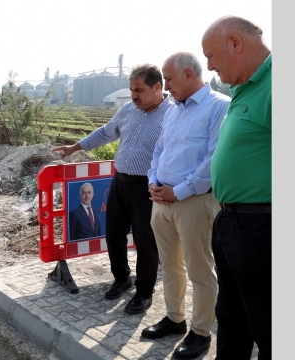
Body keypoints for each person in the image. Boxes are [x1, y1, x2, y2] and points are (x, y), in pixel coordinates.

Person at [52, 64, 172, 314]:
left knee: (145, 242)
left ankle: (144, 292)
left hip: (148, 187)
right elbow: (106, 132)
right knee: (113, 234)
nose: (133, 95)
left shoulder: (172, 114)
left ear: (157, 87)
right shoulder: (129, 110)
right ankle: (122, 278)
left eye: (139, 90)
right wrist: (74, 148)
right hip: (120, 182)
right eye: (131, 90)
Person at [142, 52, 230, 359]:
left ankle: (201, 333)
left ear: (189, 75)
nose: (165, 86)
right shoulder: (173, 110)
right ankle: (175, 319)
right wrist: (153, 181)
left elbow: (213, 161)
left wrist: (177, 192)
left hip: (194, 202)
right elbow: (159, 151)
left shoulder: (219, 107)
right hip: (161, 200)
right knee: (169, 266)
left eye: (169, 78)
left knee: (200, 270)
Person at [202, 16, 271, 360]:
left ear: (234, 43)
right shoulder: (243, 87)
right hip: (231, 222)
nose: (210, 66)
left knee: (269, 325)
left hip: (261, 227)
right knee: (230, 318)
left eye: (211, 56)